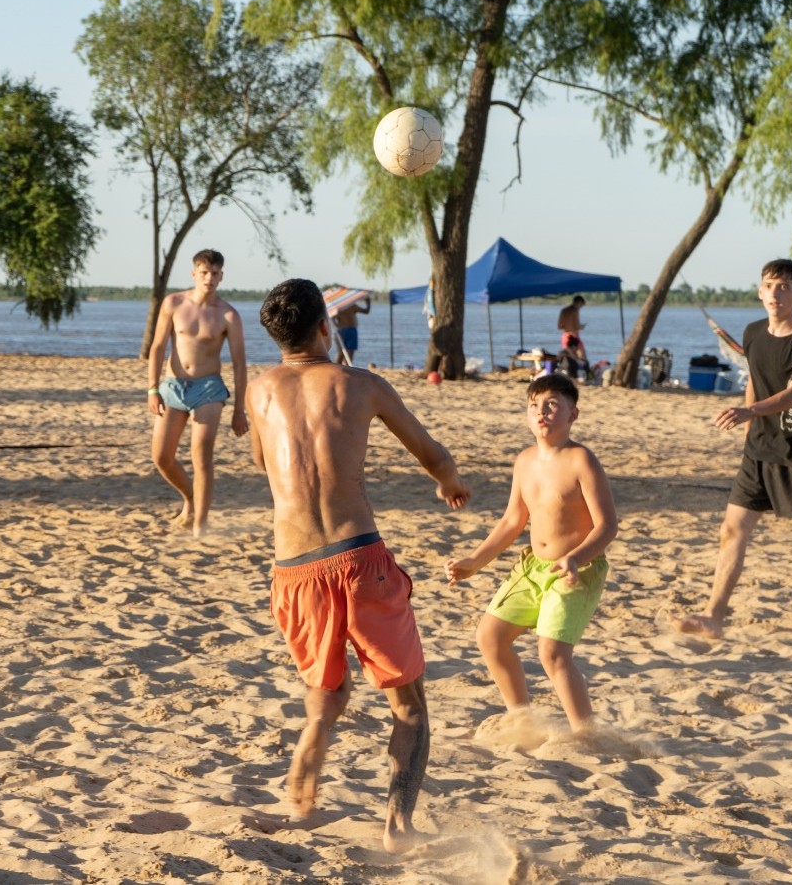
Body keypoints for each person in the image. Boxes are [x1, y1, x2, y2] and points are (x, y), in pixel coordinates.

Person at [245, 278, 469, 852]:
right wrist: (450, 482)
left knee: (326, 698)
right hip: (358, 557)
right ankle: (398, 827)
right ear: (326, 327)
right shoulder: (361, 384)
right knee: (410, 707)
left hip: (293, 568)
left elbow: (262, 463)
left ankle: (300, 798)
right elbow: (432, 453)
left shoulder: (258, 392)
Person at [677, 259, 792, 642]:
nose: (776, 293)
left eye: (785, 286)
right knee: (732, 529)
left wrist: (748, 411)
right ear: (759, 291)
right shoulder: (753, 332)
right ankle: (713, 616)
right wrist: (750, 426)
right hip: (758, 451)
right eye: (770, 285)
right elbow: (755, 381)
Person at [446, 374, 618, 735]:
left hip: (576, 570)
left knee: (552, 654)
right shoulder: (524, 461)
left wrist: (576, 557)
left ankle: (586, 734)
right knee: (490, 637)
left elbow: (607, 526)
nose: (542, 412)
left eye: (552, 405)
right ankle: (523, 719)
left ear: (573, 414)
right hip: (532, 568)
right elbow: (512, 522)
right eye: (534, 405)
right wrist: (475, 561)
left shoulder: (581, 460)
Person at [146, 248, 248, 536]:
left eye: (215, 274)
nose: (209, 278)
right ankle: (191, 498)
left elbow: (239, 364)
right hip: (172, 385)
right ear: (194, 274)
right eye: (204, 273)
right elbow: (157, 348)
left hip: (208, 389)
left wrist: (239, 410)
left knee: (201, 453)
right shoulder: (173, 303)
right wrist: (152, 388)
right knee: (162, 457)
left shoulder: (228, 315)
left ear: (221, 276)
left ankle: (200, 525)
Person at [333, 294, 370, 366]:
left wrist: (368, 302)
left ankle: (345, 369)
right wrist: (368, 302)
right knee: (342, 352)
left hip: (347, 330)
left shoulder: (349, 306)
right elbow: (366, 311)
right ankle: (339, 369)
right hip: (344, 330)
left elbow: (366, 311)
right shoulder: (340, 307)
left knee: (347, 352)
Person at [557, 295, 588, 379]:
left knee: (571, 356)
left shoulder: (563, 310)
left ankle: (573, 374)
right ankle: (583, 374)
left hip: (565, 335)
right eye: (581, 305)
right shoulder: (575, 311)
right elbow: (577, 326)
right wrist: (581, 327)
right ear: (579, 303)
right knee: (581, 356)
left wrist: (568, 326)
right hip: (574, 336)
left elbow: (559, 326)